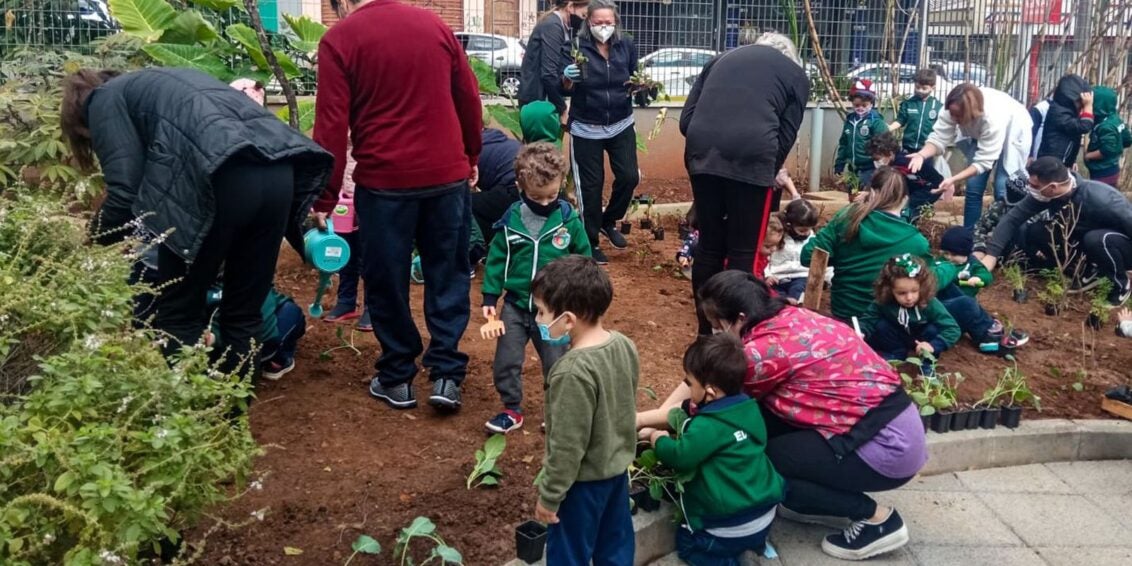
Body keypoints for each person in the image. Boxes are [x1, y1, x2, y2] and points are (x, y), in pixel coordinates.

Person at [637, 271, 925, 561]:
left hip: (886, 447)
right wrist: (653, 415)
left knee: (766, 466)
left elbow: (703, 394)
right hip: (898, 422)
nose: (715, 334)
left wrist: (642, 422)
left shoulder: (759, 354)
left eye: (717, 326)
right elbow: (700, 378)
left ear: (738, 318)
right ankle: (816, 499)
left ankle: (877, 518)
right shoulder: (792, 316)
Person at [61, 68, 332, 372]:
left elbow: (125, 191)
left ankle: (187, 412)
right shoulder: (168, 83)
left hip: (221, 180)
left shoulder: (103, 99)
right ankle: (232, 416)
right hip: (279, 173)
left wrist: (90, 243)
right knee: (243, 315)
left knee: (178, 317)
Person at [315, 0, 483, 411]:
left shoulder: (339, 39)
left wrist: (325, 195)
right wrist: (470, 156)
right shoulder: (434, 26)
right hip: (446, 176)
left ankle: (397, 377)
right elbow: (468, 96)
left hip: (385, 183)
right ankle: (445, 376)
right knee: (447, 272)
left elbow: (331, 123)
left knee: (387, 278)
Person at [680, 31, 809, 334]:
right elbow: (786, 135)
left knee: (710, 244)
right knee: (742, 249)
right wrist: (765, 170)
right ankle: (733, 330)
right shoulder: (795, 74)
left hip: (702, 152)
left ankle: (704, 330)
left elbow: (687, 121)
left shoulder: (720, 60)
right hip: (754, 155)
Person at [642, 333, 784, 566]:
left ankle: (727, 560)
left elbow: (681, 456)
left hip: (728, 526)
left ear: (710, 392)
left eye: (690, 383)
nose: (687, 387)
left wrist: (659, 439)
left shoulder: (707, 425)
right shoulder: (751, 408)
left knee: (687, 544)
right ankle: (753, 546)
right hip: (766, 513)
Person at [532, 255, 637, 565]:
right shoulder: (623, 344)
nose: (537, 320)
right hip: (617, 474)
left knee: (569, 553)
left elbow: (567, 447)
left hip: (581, 487)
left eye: (541, 312)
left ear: (567, 319)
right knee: (615, 546)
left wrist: (550, 497)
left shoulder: (571, 372)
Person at [482, 143, 592, 434]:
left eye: (552, 196)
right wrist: (490, 296)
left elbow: (584, 257)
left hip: (554, 311)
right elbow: (496, 258)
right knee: (506, 359)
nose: (545, 203)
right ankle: (511, 408)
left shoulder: (567, 220)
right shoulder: (511, 220)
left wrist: (581, 297)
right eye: (536, 197)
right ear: (521, 187)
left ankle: (557, 412)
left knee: (556, 363)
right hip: (515, 306)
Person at [980, 156, 1132, 306]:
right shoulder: (1047, 195)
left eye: (1034, 185)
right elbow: (1012, 219)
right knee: (1038, 231)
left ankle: (1120, 286)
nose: (1030, 189)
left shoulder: (1101, 199)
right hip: (1089, 241)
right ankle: (1087, 272)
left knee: (1097, 239)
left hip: (1118, 244)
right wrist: (991, 255)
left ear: (1052, 187)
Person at [563, 0, 639, 264]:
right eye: (598, 23)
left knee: (629, 176)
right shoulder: (577, 47)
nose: (604, 27)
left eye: (609, 22)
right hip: (586, 128)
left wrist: (642, 86)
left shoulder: (625, 45)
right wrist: (568, 77)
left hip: (620, 123)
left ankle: (609, 221)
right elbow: (565, 87)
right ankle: (590, 240)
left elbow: (633, 77)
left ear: (615, 22)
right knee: (590, 188)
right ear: (588, 23)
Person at [801, 168, 931, 321]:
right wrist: (950, 268)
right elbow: (929, 280)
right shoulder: (916, 242)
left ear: (872, 192)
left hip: (844, 315)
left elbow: (808, 255)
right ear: (905, 200)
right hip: (888, 322)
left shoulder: (847, 218)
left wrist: (843, 256)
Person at [906, 84, 1033, 228]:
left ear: (970, 113)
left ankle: (1002, 239)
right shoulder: (952, 108)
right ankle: (969, 235)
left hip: (1013, 131)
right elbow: (939, 138)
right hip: (979, 133)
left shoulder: (992, 119)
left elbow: (983, 162)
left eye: (957, 116)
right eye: (951, 113)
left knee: (1002, 189)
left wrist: (953, 179)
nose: (953, 118)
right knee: (973, 187)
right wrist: (921, 155)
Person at [936, 226, 1029, 353]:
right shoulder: (940, 264)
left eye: (954, 254)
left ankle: (989, 333)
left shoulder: (972, 264)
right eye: (946, 253)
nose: (949, 258)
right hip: (946, 307)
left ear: (966, 253)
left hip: (962, 308)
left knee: (971, 307)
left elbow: (986, 275)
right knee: (966, 304)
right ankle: (988, 336)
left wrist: (978, 278)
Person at [859, 255, 961, 364]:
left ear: (922, 287)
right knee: (882, 325)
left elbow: (953, 328)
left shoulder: (929, 303)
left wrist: (933, 345)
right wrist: (862, 331)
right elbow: (868, 318)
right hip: (898, 336)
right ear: (889, 290)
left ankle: (927, 363)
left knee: (932, 329)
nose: (909, 298)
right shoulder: (884, 302)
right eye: (902, 293)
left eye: (914, 291)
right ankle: (897, 354)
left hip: (922, 340)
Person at [206, 284, 306, 380]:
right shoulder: (253, 281)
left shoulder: (202, 290)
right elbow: (280, 301)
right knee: (292, 310)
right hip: (261, 353)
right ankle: (278, 361)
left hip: (216, 356)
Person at [518, 0, 589, 119]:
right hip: (539, 103)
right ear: (570, 7)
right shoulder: (553, 26)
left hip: (539, 99)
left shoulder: (558, 24)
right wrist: (563, 109)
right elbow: (548, 74)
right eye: (583, 15)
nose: (584, 21)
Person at [471, 112, 524, 243]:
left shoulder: (473, 148)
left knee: (464, 204)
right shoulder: (493, 136)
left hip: (513, 187)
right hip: (525, 184)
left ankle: (482, 247)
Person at [869, 132, 945, 222]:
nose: (876, 162)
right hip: (917, 188)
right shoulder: (894, 163)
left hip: (930, 188)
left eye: (877, 159)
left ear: (889, 153)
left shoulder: (902, 163)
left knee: (908, 209)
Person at [765, 199, 826, 305]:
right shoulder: (778, 236)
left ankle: (796, 306)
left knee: (798, 292)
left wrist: (826, 278)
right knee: (774, 297)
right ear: (789, 224)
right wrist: (767, 274)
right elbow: (766, 258)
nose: (805, 233)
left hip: (801, 276)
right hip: (777, 277)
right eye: (802, 230)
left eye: (809, 229)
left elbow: (821, 258)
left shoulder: (812, 238)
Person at [834, 79, 888, 188]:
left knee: (866, 197)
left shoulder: (876, 122)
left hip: (870, 168)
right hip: (853, 168)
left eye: (864, 105)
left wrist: (880, 165)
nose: (860, 108)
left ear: (871, 104)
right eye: (857, 105)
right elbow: (844, 144)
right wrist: (839, 164)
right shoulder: (849, 121)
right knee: (853, 194)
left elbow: (884, 145)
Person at [1036, 74, 1093, 167]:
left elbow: (1072, 137)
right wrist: (1088, 106)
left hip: (1061, 162)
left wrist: (1073, 160)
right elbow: (1084, 126)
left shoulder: (1068, 111)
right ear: (1069, 99)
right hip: (1052, 164)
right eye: (1080, 101)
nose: (1082, 104)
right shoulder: (1059, 113)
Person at [1084, 86, 1132, 187]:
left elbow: (1107, 150)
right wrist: (1117, 147)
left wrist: (1088, 156)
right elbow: (1127, 139)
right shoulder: (1115, 119)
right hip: (1112, 168)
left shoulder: (1106, 126)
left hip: (1102, 172)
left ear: (1098, 105)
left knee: (1099, 198)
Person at [888, 69, 943, 154]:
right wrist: (889, 128)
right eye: (917, 87)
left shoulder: (938, 106)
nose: (920, 90)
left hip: (927, 149)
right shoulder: (908, 104)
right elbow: (900, 120)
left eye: (924, 88)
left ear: (933, 88)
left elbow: (941, 127)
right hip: (908, 147)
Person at [755, 213, 784, 280]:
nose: (774, 249)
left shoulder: (763, 256)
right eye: (768, 246)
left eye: (777, 244)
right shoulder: (752, 260)